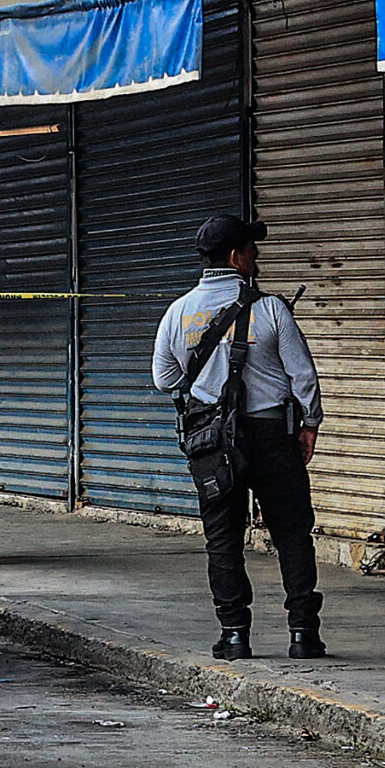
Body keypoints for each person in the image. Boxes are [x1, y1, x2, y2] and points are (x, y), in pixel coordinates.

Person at [151, 213, 326, 660]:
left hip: (210, 439)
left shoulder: (178, 312)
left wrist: (205, 382)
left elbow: (163, 378)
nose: (257, 258)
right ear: (235, 257)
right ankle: (303, 634)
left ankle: (234, 635)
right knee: (291, 533)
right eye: (253, 250)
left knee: (223, 537)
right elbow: (303, 377)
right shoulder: (270, 308)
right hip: (270, 433)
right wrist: (309, 426)